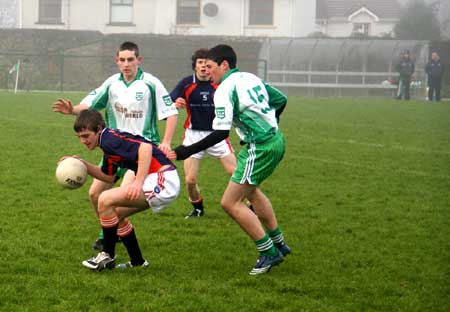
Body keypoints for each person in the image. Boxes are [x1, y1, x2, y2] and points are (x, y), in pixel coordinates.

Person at [168, 44, 290, 275]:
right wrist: (270, 122)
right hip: (273, 141)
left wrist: (185, 151)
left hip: (261, 147)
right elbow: (281, 100)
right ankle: (280, 243)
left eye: (211, 66)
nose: (208, 71)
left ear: (224, 65)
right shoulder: (250, 77)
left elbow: (220, 134)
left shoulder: (223, 89)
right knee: (252, 192)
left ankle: (268, 252)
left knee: (229, 203)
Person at [52, 41, 178, 250]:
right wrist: (72, 109)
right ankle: (109, 232)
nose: (126, 64)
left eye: (130, 59)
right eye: (122, 60)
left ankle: (118, 244)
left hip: (138, 153)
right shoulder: (112, 84)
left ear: (139, 60)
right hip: (113, 149)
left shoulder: (150, 83)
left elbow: (171, 112)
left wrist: (165, 142)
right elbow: (89, 105)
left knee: (120, 196)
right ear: (117, 61)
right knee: (95, 194)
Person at [67, 109, 180, 271]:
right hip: (157, 179)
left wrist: (137, 182)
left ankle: (107, 255)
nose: (83, 141)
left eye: (86, 136)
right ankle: (138, 262)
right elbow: (108, 177)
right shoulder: (106, 145)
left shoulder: (109, 139)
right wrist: (82, 164)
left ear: (99, 128)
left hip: (163, 179)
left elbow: (146, 148)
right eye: (80, 138)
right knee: (116, 214)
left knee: (104, 199)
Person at [170, 48, 236, 218]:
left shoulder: (220, 83)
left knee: (235, 174)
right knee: (190, 180)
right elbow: (169, 100)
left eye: (207, 64)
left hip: (217, 135)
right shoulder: (186, 83)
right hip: (193, 135)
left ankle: (251, 205)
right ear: (195, 66)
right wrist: (174, 102)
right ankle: (198, 209)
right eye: (200, 63)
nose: (204, 67)